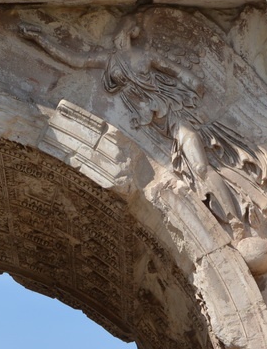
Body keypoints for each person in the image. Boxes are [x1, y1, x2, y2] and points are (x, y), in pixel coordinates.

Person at [18, 15, 248, 237]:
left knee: (200, 168)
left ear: (129, 33)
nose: (116, 36)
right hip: (149, 126)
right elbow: (75, 60)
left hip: (174, 113)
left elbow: (183, 75)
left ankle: (236, 222)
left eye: (121, 30)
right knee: (194, 171)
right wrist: (41, 39)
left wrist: (196, 90)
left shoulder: (145, 56)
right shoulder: (109, 58)